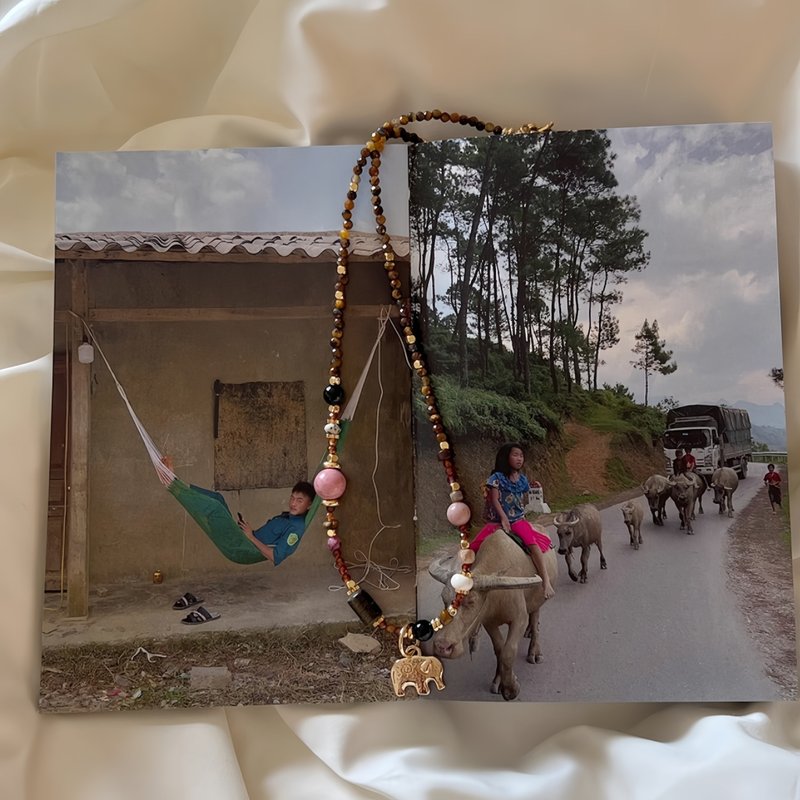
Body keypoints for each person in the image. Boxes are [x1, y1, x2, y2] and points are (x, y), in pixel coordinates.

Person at [470, 443, 556, 600]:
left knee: (532, 545)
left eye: (521, 456)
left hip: (518, 520)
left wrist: (533, 486)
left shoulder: (522, 479)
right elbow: (495, 500)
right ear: (505, 457)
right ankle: (464, 581)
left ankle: (546, 581)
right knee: (472, 548)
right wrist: (503, 518)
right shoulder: (496, 478)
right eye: (515, 455)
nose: (519, 459)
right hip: (496, 521)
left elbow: (521, 493)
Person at [237, 481, 316, 564]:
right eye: (292, 498)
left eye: (299, 501)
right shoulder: (287, 517)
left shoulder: (295, 529)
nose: (293, 504)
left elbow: (274, 556)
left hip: (247, 547)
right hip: (245, 538)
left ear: (309, 505)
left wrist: (251, 537)